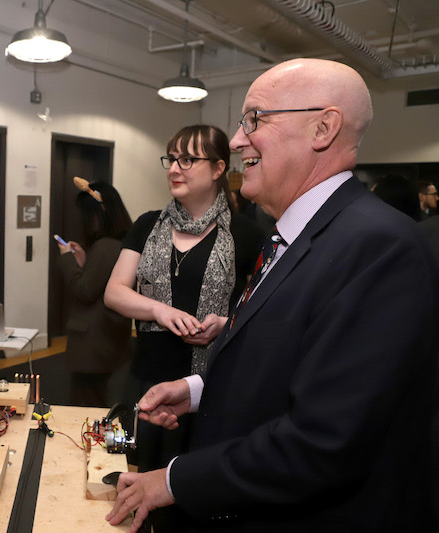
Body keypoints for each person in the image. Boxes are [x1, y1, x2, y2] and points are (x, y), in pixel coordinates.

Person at [106, 58, 438, 532]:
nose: (239, 140)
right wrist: (199, 391)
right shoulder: (293, 235)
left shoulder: (378, 248)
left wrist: (173, 481)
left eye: (254, 119)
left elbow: (323, 443)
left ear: (323, 128)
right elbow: (291, 363)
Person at [103, 125, 263, 529]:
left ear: (218, 168)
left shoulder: (246, 235)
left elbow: (262, 311)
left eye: (187, 159)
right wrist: (158, 310)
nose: (175, 168)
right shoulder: (147, 224)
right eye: (171, 158)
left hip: (207, 385)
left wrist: (225, 323)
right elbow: (115, 292)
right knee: (132, 486)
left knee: (193, 500)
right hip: (147, 377)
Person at [55, 180, 133, 407]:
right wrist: (83, 262)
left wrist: (67, 258)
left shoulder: (106, 246)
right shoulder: (118, 244)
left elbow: (85, 290)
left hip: (94, 342)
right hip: (107, 339)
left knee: (87, 406)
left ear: (100, 213)